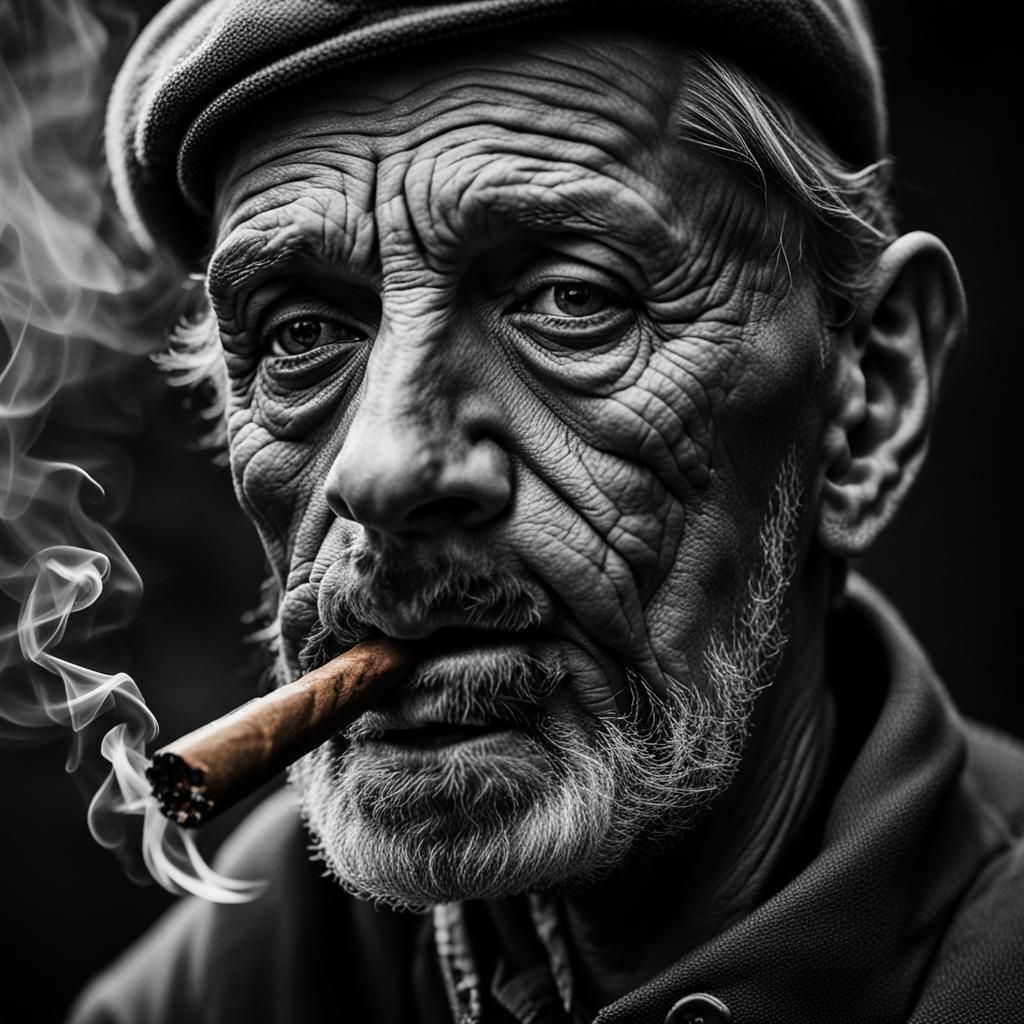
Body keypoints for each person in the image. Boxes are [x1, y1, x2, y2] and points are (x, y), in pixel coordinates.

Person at [70, 1, 1024, 1021]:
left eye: (573, 299)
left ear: (864, 396)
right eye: (301, 331)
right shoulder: (197, 1000)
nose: (384, 468)